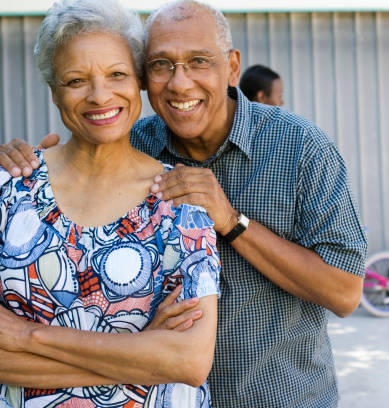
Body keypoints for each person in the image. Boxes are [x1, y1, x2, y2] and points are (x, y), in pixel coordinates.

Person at [0, 1, 367, 406]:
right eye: (161, 65)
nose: (179, 83)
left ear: (231, 67)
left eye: (198, 61)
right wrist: (27, 160)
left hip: (277, 397)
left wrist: (231, 221)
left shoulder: (300, 148)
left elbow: (346, 293)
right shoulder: (131, 141)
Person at [0, 0, 220, 406]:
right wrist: (142, 356)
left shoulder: (180, 203)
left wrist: (26, 337)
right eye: (76, 80)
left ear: (137, 81)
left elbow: (189, 360)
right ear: (54, 92)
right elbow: (165, 362)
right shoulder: (9, 189)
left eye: (116, 74)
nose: (100, 96)